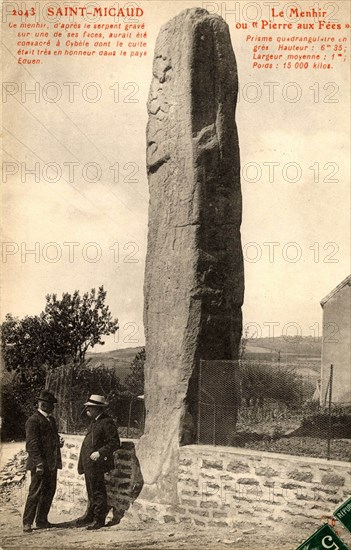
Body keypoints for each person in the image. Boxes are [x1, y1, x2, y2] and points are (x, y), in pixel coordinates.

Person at [76, 394, 120, 530]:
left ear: (97, 408)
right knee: (91, 490)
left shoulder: (106, 422)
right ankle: (90, 515)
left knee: (98, 491)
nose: (87, 409)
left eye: (90, 407)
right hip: (89, 463)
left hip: (97, 463)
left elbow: (114, 442)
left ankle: (98, 519)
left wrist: (100, 452)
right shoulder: (95, 421)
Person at [23, 390, 63, 533]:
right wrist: (39, 463)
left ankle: (41, 520)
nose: (52, 407)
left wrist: (59, 442)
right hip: (39, 464)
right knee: (35, 493)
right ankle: (27, 522)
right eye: (50, 404)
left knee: (49, 492)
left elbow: (52, 438)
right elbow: (32, 445)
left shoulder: (51, 420)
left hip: (51, 463)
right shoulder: (33, 421)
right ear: (43, 404)